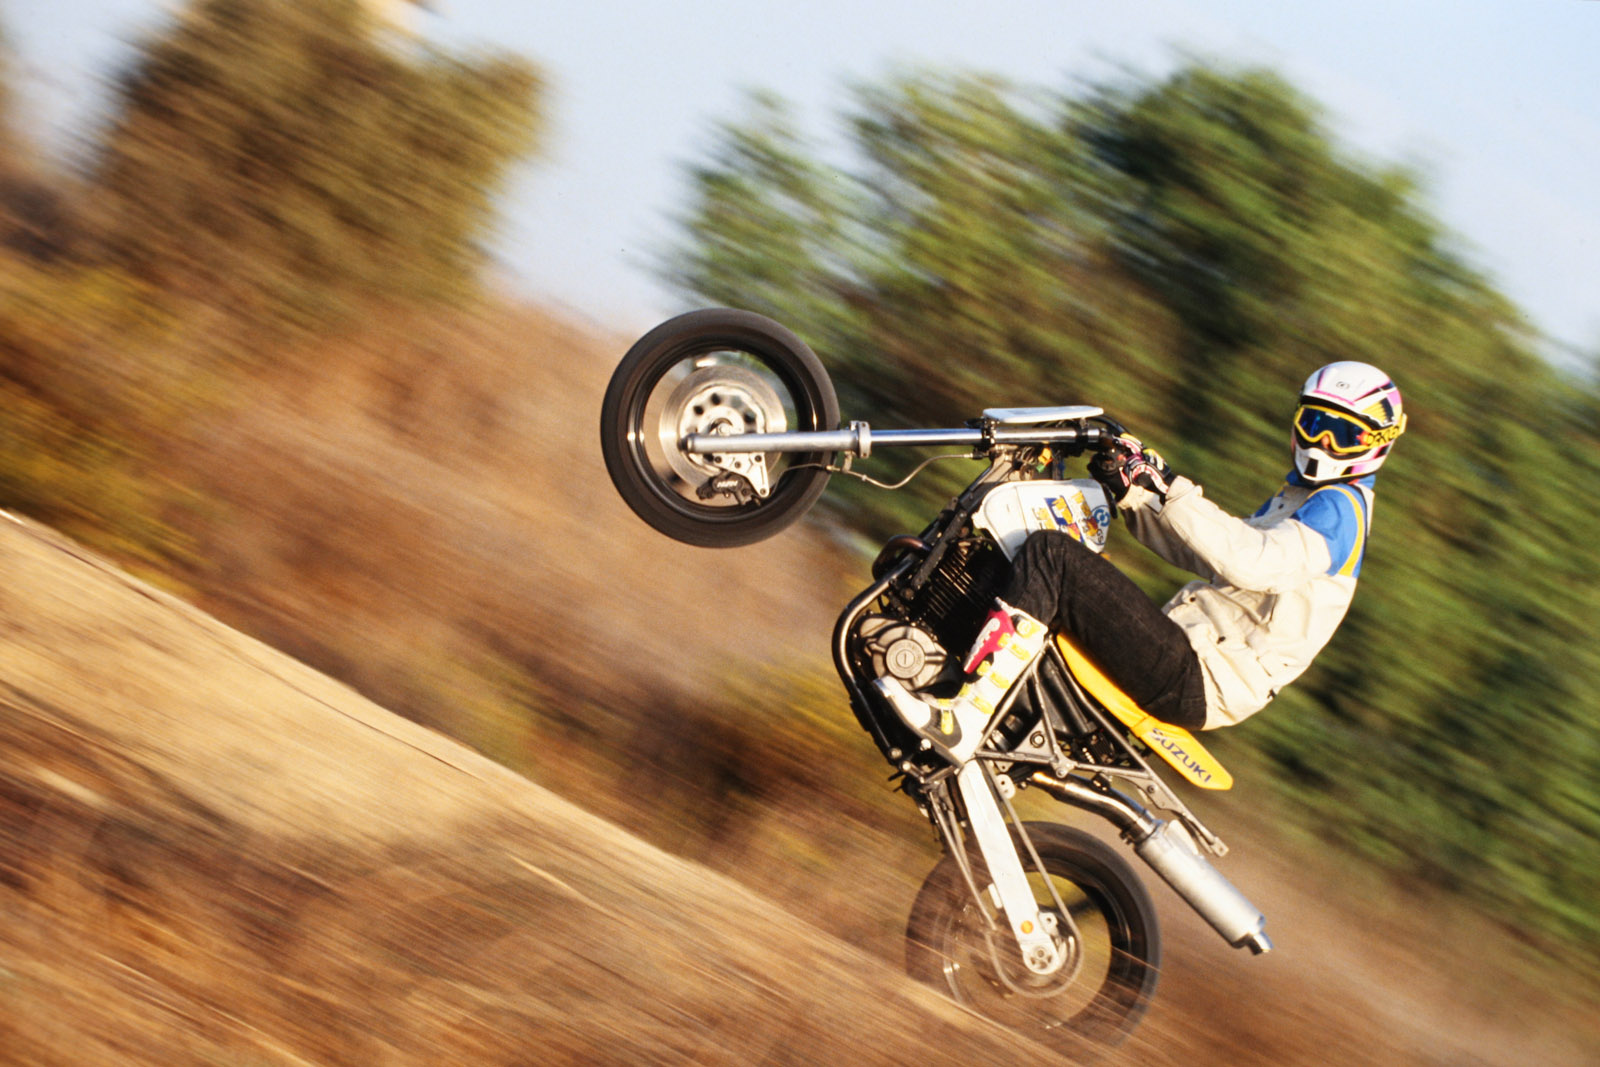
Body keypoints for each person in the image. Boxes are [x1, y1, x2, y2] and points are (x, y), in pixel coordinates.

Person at [877, 361, 1406, 764]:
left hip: (1200, 676)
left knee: (1051, 556)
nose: (1322, 442)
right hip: (1191, 658)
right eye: (1314, 423)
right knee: (1021, 563)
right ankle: (945, 679)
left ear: (1377, 443)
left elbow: (1252, 564)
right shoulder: (1301, 501)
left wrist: (1170, 486)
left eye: (1343, 434)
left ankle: (966, 719)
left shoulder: (1340, 510)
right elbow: (1207, 557)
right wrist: (1134, 495)